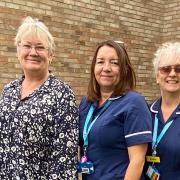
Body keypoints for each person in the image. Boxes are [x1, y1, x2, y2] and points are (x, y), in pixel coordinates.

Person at [0, 16, 79, 179]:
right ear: (18, 52)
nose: (33, 52)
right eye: (27, 46)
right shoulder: (8, 91)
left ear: (50, 55)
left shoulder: (62, 94)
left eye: (40, 47)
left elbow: (64, 161)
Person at [78, 40, 152, 180]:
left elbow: (137, 161)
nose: (106, 68)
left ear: (124, 69)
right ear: (94, 67)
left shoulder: (134, 103)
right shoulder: (86, 103)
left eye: (114, 63)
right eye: (100, 62)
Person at [144, 42, 180, 180]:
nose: (172, 74)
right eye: (165, 69)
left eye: (178, 69)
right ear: (157, 76)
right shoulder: (145, 113)